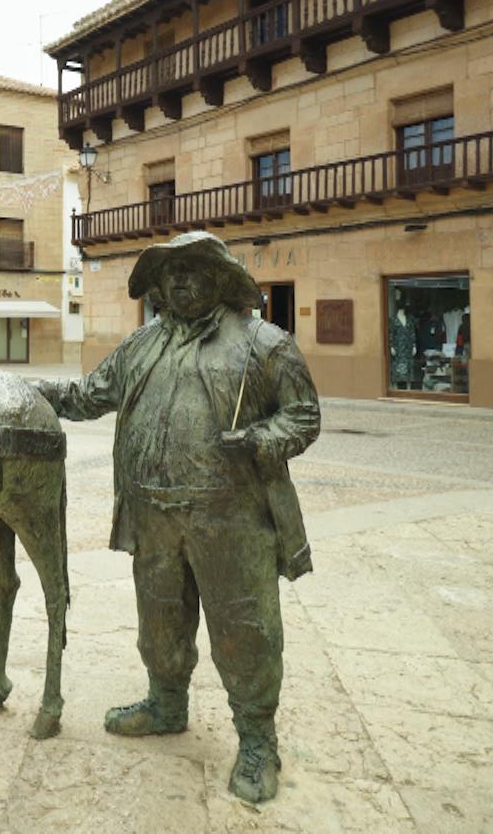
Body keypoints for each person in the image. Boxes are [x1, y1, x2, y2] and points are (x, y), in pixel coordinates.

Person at [37, 231, 320, 804]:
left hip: (233, 519)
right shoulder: (142, 345)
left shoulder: (265, 345)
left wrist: (262, 437)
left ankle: (258, 740)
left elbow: (304, 417)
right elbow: (88, 396)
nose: (181, 281)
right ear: (158, 287)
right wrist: (20, 392)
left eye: (192, 270)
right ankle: (166, 703)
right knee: (159, 624)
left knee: (245, 632)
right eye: (171, 273)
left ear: (220, 279)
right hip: (154, 515)